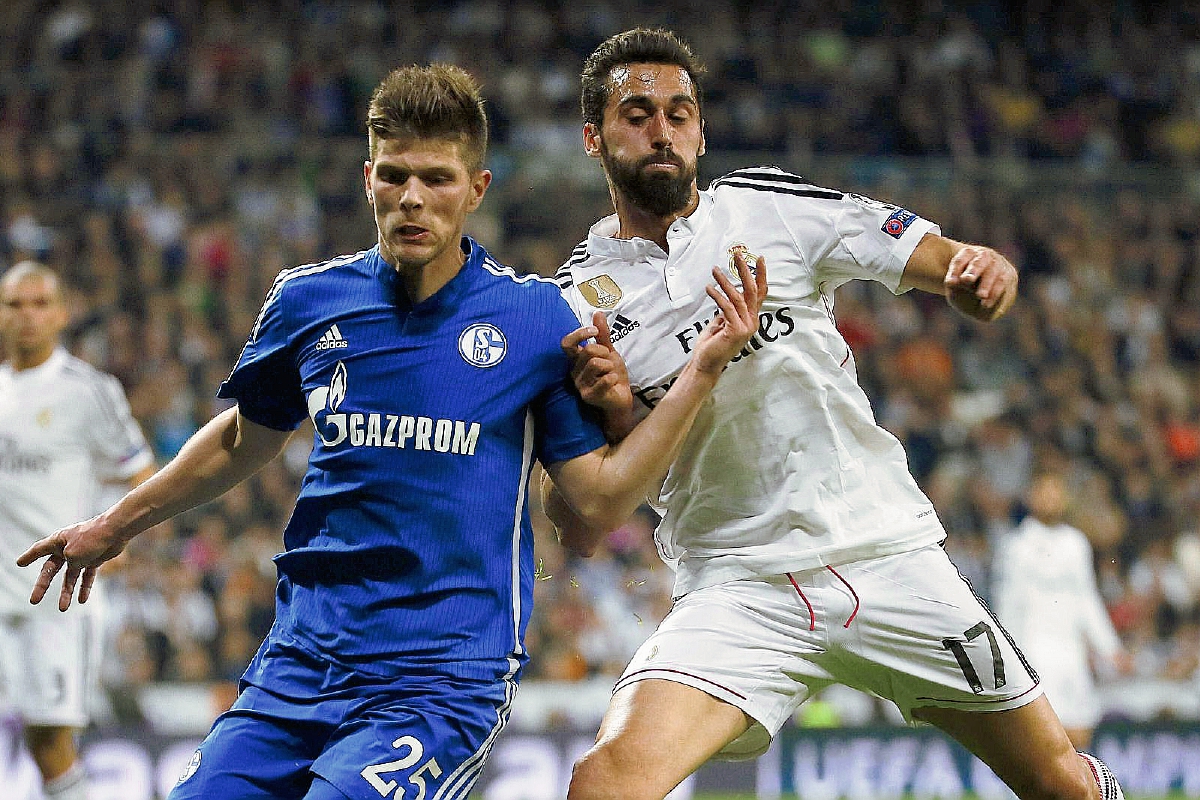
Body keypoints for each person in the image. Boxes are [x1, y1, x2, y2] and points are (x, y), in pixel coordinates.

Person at [16, 63, 765, 800]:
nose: (412, 199)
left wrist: (700, 373)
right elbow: (244, 438)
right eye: (396, 176)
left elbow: (598, 501)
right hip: (298, 667)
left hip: (438, 688)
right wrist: (116, 525)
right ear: (367, 178)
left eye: (437, 179)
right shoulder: (310, 301)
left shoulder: (537, 321)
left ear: (477, 189)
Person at [543, 28, 1126, 800]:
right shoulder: (573, 306)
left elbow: (952, 263)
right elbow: (579, 515)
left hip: (887, 553)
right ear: (593, 137)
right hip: (739, 585)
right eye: (638, 113)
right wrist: (615, 414)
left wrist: (985, 275)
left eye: (680, 113)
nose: (663, 130)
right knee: (602, 783)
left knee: (1063, 786)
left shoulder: (767, 207)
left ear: (702, 131)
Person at [0, 261, 156, 800]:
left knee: (49, 740)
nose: (27, 316)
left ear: (63, 313)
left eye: (40, 303)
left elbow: (142, 477)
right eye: (14, 304)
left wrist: (115, 547)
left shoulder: (88, 391)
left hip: (53, 600)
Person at [993, 470, 1132, 750]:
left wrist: (1110, 647)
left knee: (1080, 734)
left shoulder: (1076, 544)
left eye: (1056, 491)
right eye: (1044, 491)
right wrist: (1007, 656)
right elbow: (1008, 602)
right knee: (1045, 740)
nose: (1051, 498)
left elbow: (1087, 600)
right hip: (1034, 651)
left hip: (1072, 655)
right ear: (1032, 497)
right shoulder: (1017, 546)